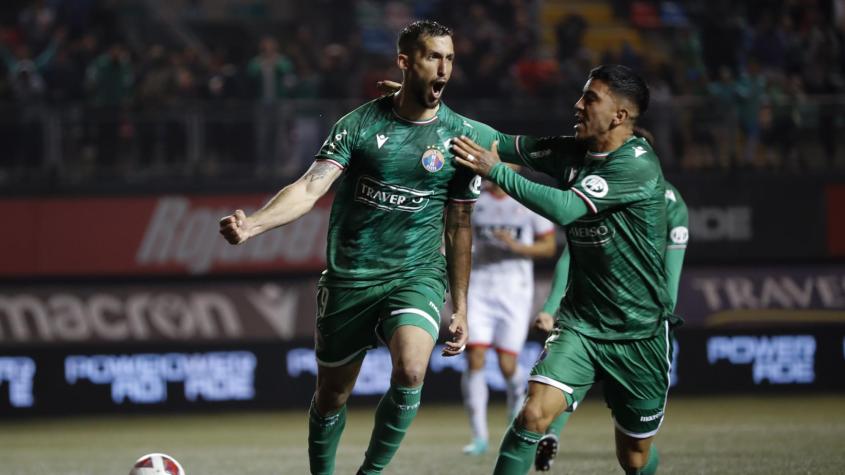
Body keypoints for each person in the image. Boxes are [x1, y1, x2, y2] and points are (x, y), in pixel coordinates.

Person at [219, 20, 499, 475]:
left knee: (411, 370)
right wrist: (253, 225)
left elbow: (459, 225)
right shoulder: (359, 125)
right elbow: (309, 187)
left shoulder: (462, 138)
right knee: (332, 395)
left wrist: (462, 306)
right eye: (433, 56)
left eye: (450, 58)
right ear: (405, 61)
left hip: (416, 273)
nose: (444, 68)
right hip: (351, 276)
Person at [450, 64, 677, 475]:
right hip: (581, 325)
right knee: (532, 415)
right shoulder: (572, 151)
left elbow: (567, 208)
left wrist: (495, 171)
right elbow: (502, 141)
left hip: (638, 331)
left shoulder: (637, 165)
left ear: (620, 115)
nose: (578, 104)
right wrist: (434, 114)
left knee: (634, 456)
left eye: (590, 98)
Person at [531, 167, 689, 471]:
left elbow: (568, 258)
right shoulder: (610, 188)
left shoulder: (632, 192)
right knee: (552, 396)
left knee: (633, 449)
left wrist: (550, 308)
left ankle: (553, 432)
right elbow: (671, 275)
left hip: (630, 328)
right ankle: (549, 434)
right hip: (623, 323)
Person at [461, 176, 557, 456]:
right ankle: (479, 437)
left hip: (514, 291)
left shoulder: (528, 200)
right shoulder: (474, 199)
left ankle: (516, 406)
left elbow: (549, 246)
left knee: (507, 364)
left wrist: (517, 247)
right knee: (475, 356)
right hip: (478, 288)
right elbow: (457, 233)